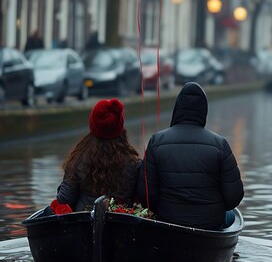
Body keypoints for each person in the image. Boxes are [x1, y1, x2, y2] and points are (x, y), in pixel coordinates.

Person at [137, 82, 244, 229]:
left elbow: (146, 195)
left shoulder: (156, 141)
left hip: (167, 219)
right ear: (203, 111)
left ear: (177, 109)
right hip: (210, 222)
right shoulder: (220, 145)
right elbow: (234, 197)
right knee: (232, 215)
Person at [53, 99, 142, 211]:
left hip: (83, 220)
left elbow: (65, 199)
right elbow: (142, 197)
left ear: (93, 125)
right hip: (121, 222)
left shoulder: (78, 159)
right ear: (120, 127)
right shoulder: (135, 163)